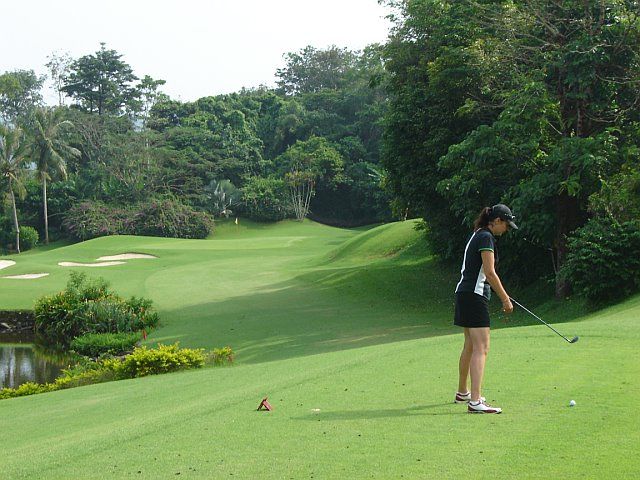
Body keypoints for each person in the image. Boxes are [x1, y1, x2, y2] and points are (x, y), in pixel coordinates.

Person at [453, 204, 518, 414]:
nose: (506, 229)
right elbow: (490, 273)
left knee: (470, 345)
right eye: (506, 225)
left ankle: (463, 392)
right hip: (474, 295)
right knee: (482, 348)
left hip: (464, 293)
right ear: (497, 221)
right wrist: (505, 299)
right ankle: (475, 401)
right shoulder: (486, 237)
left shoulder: (478, 234)